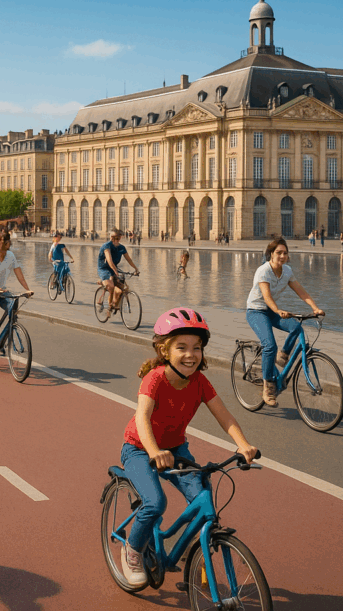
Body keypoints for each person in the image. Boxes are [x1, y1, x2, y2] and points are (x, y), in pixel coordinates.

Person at [118, 307, 257, 586]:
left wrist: (243, 445)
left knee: (202, 501)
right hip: (139, 448)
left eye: (197, 347)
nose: (190, 354)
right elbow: (142, 417)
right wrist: (154, 451)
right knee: (156, 503)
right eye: (181, 347)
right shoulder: (154, 379)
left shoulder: (199, 382)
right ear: (164, 350)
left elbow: (224, 415)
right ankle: (132, 550)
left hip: (177, 450)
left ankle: (196, 550)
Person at [245, 237, 324, 407]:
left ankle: (283, 356)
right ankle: (268, 387)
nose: (282, 256)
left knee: (297, 327)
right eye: (278, 253)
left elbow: (301, 292)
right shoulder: (263, 271)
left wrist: (315, 308)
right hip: (256, 311)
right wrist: (278, 310)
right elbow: (266, 297)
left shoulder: (287, 271)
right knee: (270, 345)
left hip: (272, 311)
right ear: (271, 254)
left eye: (285, 253)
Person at [0, 231, 33, 358]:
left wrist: (27, 289)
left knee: (13, 309)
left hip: (1, 290)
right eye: (1, 243)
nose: (3, 246)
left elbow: (19, 273)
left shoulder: (10, 256)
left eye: (6, 243)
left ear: (8, 244)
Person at [97, 229, 140, 313]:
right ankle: (107, 303)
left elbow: (129, 260)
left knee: (121, 289)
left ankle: (114, 304)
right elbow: (109, 261)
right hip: (104, 269)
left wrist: (136, 269)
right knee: (111, 286)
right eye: (114, 238)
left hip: (114, 268)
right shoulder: (106, 246)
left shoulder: (121, 248)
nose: (116, 240)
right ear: (111, 238)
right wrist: (115, 271)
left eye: (118, 238)